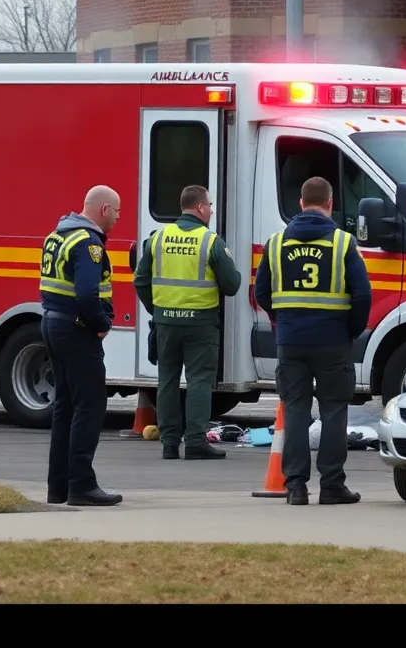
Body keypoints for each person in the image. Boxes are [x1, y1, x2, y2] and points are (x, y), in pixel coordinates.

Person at [253, 176, 371, 505]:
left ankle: (295, 487)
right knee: (334, 411)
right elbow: (362, 294)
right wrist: (351, 329)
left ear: (301, 204)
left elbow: (261, 292)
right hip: (333, 340)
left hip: (291, 341)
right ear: (330, 204)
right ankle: (332, 485)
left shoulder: (276, 243)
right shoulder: (344, 243)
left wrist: (282, 320)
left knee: (295, 410)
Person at [134, 185, 242, 461]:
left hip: (166, 323)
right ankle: (195, 442)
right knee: (199, 382)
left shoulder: (158, 238)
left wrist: (156, 309)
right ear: (200, 208)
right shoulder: (210, 241)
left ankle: (169, 443)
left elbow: (141, 280)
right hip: (200, 324)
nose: (212, 210)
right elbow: (232, 285)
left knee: (167, 381)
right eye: (210, 205)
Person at [41, 185, 123, 507]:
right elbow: (88, 295)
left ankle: (58, 487)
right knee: (89, 406)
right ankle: (82, 485)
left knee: (65, 407)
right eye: (117, 211)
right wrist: (102, 324)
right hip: (76, 329)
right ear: (104, 210)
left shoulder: (58, 235)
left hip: (52, 322)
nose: (117, 218)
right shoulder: (89, 243)